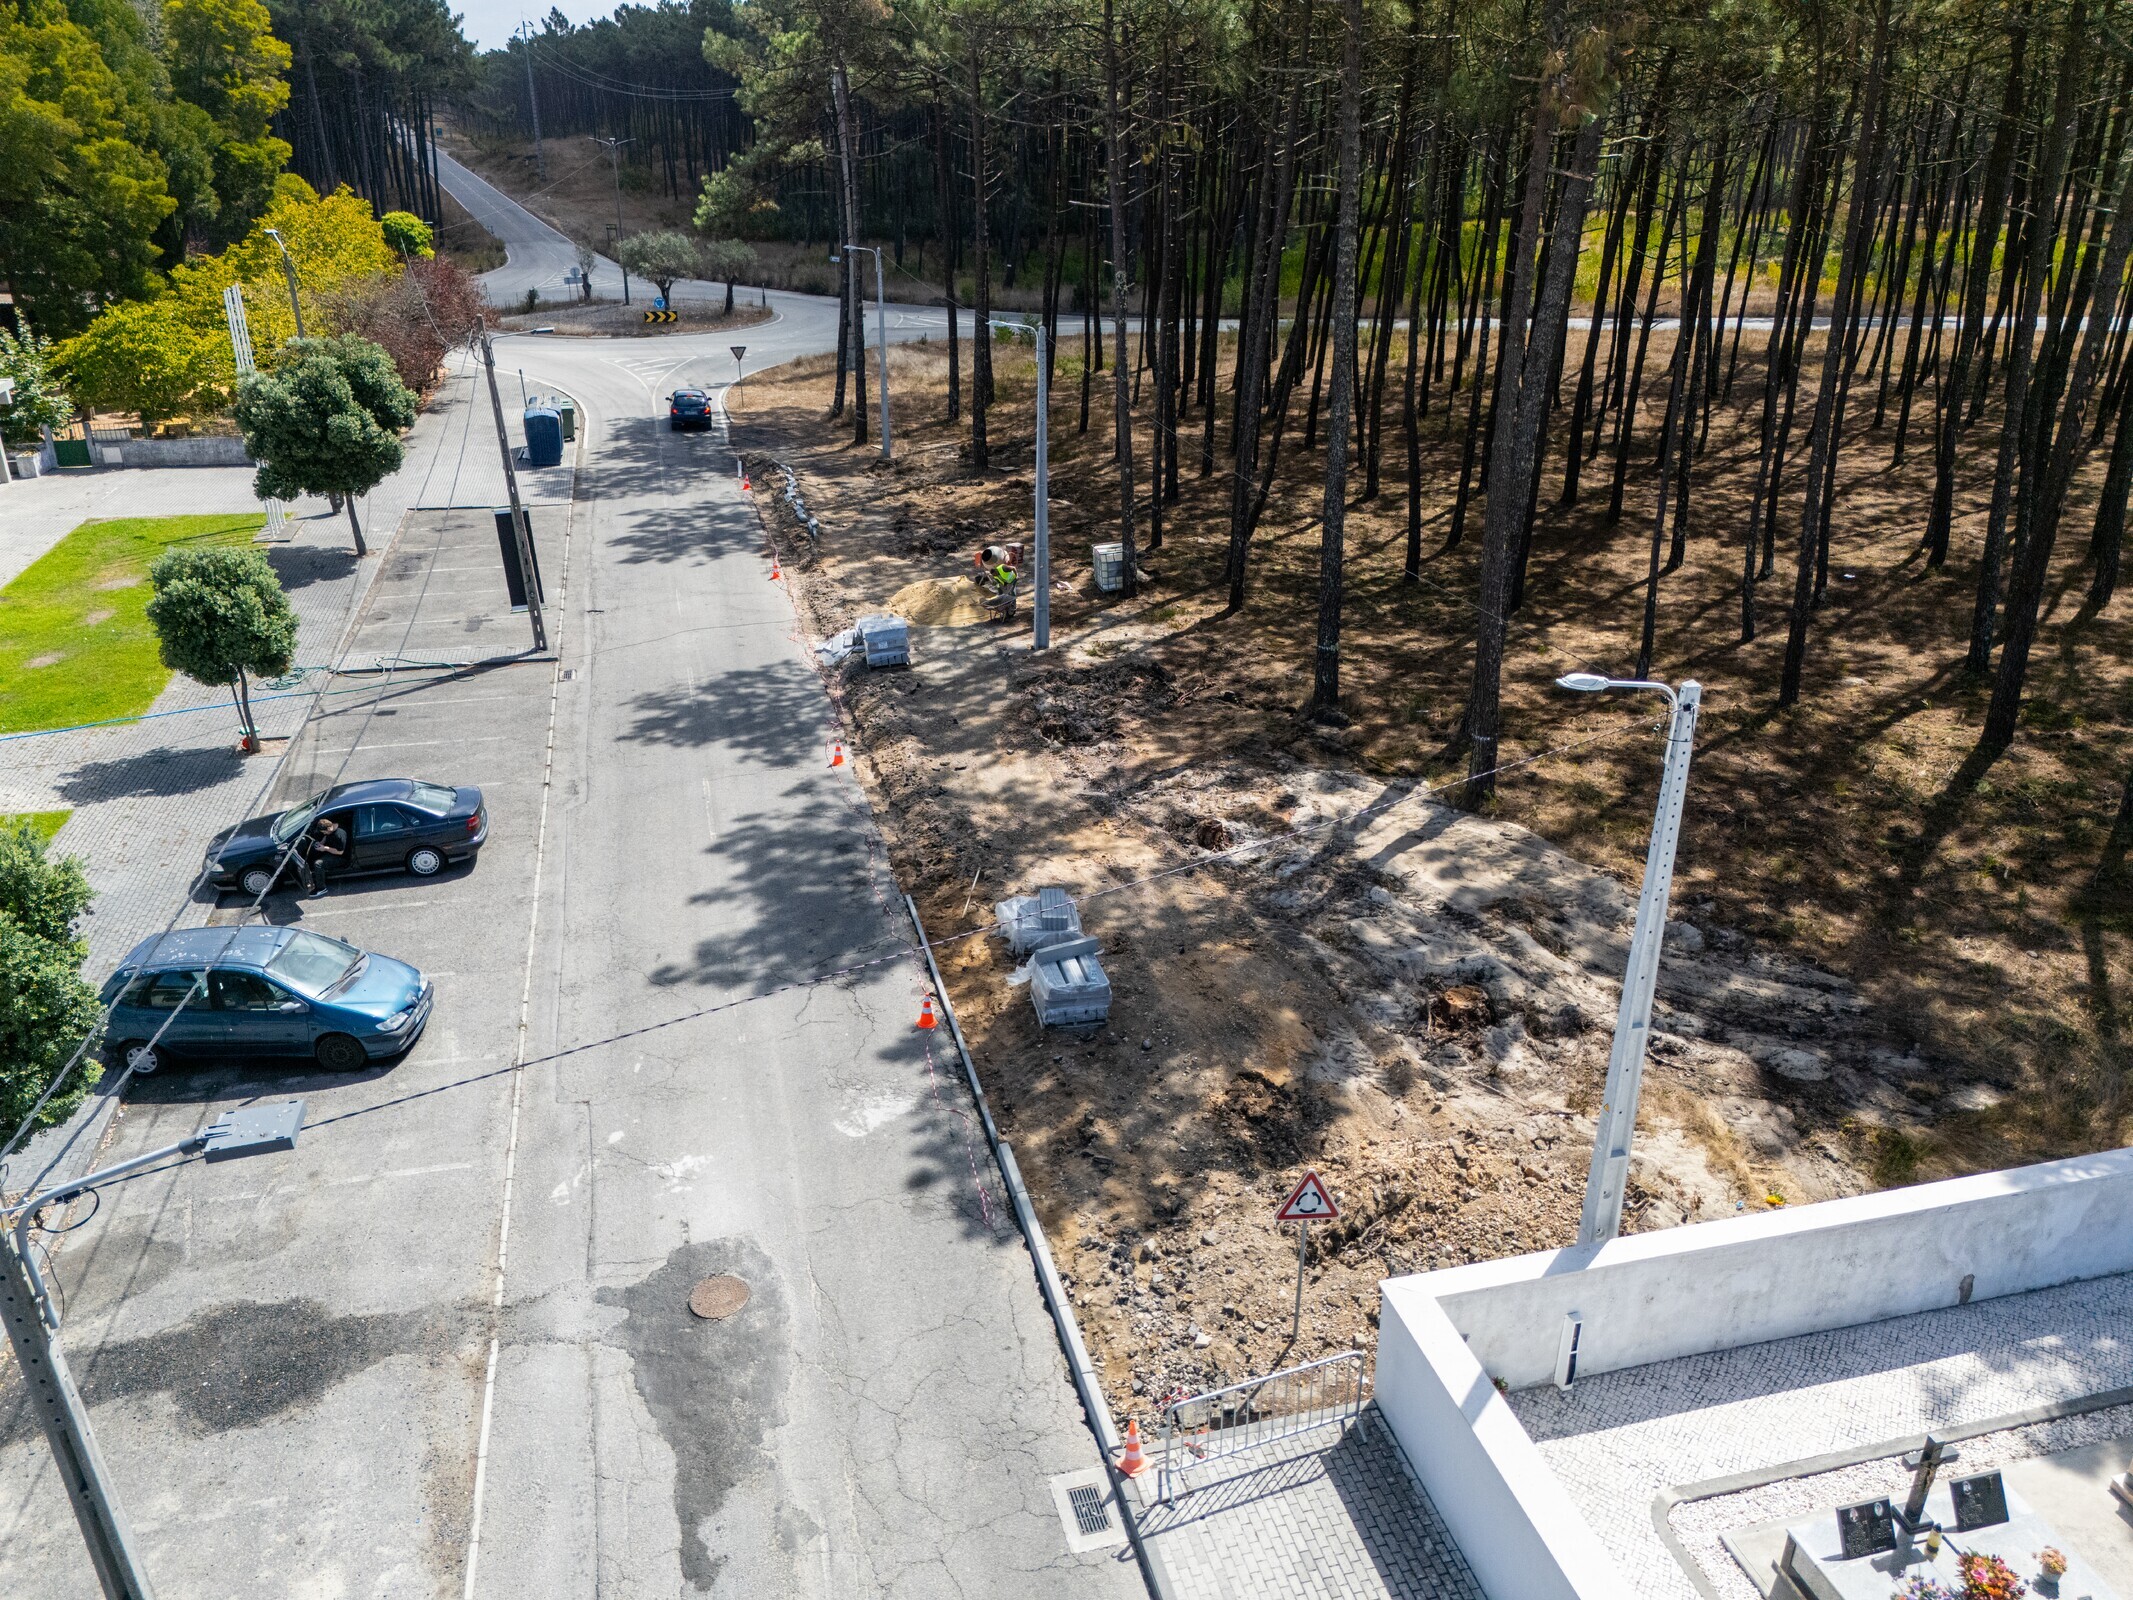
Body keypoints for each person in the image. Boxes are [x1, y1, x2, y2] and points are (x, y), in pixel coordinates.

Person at [296, 814, 348, 899]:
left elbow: (340, 852)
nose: (324, 834)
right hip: (331, 849)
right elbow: (326, 836)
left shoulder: (339, 835)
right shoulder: (331, 827)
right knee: (313, 851)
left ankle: (321, 888)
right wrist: (321, 843)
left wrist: (325, 848)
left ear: (328, 828)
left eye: (324, 832)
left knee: (318, 864)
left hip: (340, 857)